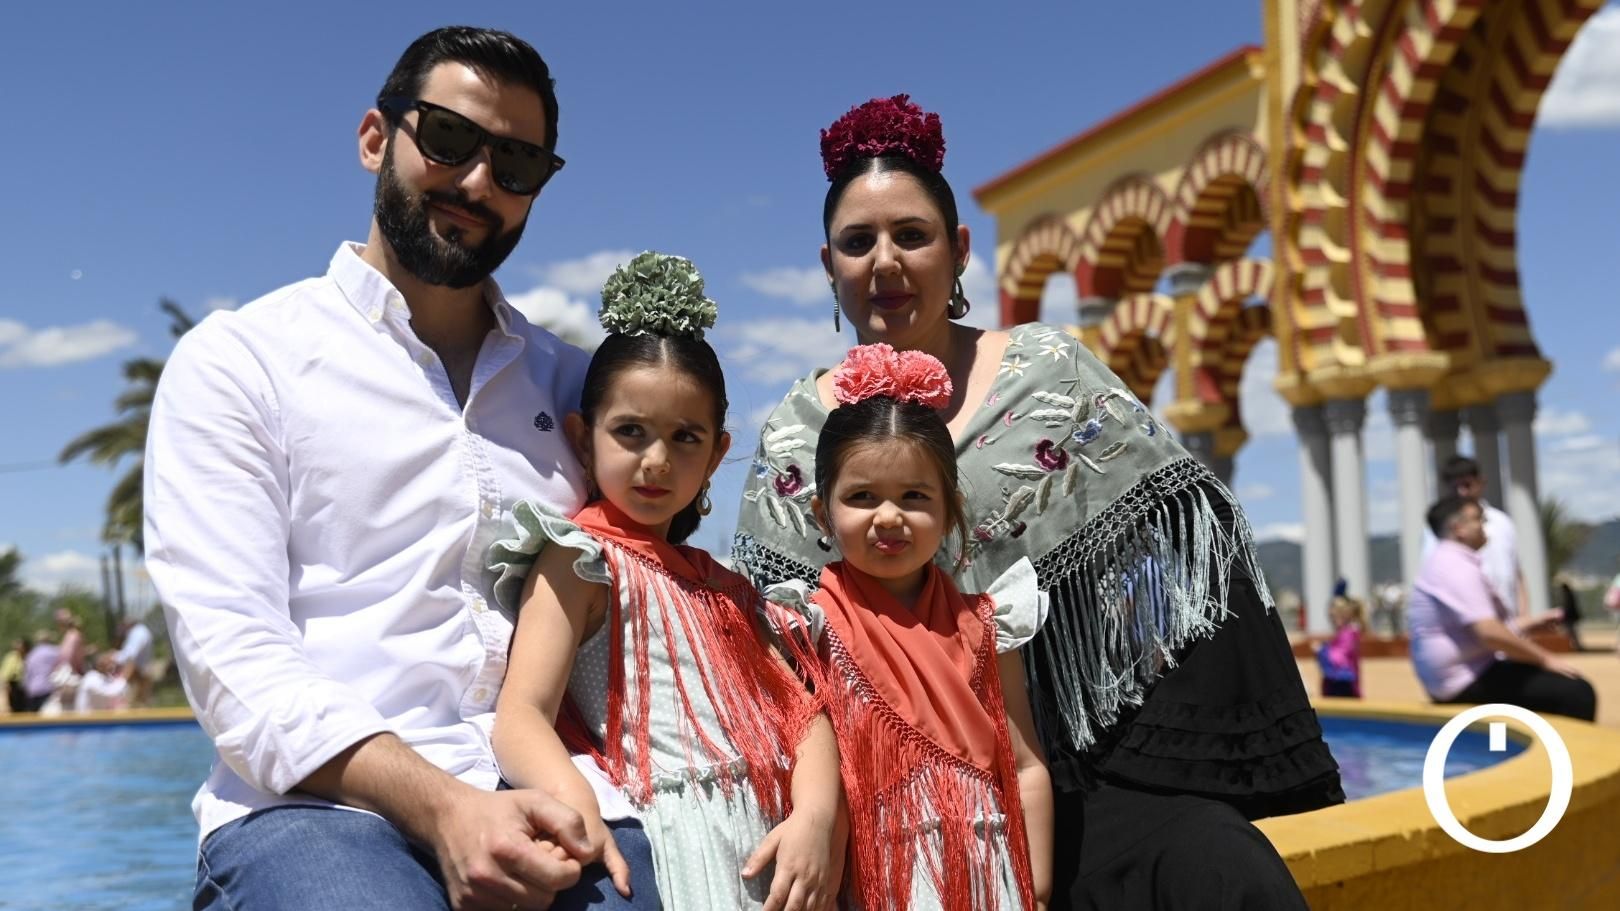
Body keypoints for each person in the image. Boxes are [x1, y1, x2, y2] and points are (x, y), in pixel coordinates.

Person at [734, 95, 1340, 910]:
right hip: (879, 797)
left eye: (911, 234)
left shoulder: (1046, 371)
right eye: (858, 241)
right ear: (828, 264)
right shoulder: (793, 434)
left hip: (1070, 767)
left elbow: (1184, 542)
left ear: (959, 251)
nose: (884, 261)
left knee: (1221, 866)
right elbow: (766, 663)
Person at [144, 27, 608, 910]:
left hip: (553, 792)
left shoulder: (578, 389)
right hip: (316, 809)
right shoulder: (243, 362)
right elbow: (233, 656)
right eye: (447, 139)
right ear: (374, 139)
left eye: (517, 164)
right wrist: (445, 807)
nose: (479, 181)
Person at [488, 253, 844, 911]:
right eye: (630, 431)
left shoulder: (726, 587)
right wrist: (578, 809)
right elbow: (521, 715)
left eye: (684, 437)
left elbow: (805, 712)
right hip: (671, 854)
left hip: (770, 853)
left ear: (715, 454)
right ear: (582, 436)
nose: (656, 461)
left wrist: (818, 817)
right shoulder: (580, 558)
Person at [771, 343, 1052, 910]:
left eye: (914, 496)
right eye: (862, 497)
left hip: (987, 873)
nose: (889, 517)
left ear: (949, 511)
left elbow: (1024, 768)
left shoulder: (987, 625)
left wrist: (1037, 892)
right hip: (872, 879)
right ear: (823, 514)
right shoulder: (805, 627)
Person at [1408, 496, 1596, 720]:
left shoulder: (1445, 562)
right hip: (1462, 682)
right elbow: (1489, 633)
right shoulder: (1454, 566)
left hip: (1463, 675)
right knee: (1576, 692)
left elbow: (1484, 630)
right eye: (1478, 519)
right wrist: (1545, 659)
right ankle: (1567, 755)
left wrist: (1530, 624)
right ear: (1458, 528)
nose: (1485, 526)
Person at [1423, 455, 1527, 618]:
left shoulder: (1503, 522)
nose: (1462, 492)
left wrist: (1524, 617)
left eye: (1467, 484)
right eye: (1455, 487)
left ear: (1481, 483)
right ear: (1457, 529)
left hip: (1507, 623)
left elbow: (1517, 574)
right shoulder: (1437, 529)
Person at [1316, 597, 1365, 698]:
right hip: (1337, 684)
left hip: (1342, 685)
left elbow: (1338, 659)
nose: (1332, 620)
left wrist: (1321, 651)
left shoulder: (1349, 634)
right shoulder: (1343, 634)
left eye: (1334, 616)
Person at [114, 617, 156, 706]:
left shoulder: (137, 633)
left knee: (135, 708)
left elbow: (130, 657)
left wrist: (121, 683)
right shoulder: (141, 631)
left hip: (137, 676)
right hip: (140, 675)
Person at [20, 631, 60, 713]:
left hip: (32, 691)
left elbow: (27, 674)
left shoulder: (31, 654)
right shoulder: (55, 651)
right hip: (48, 689)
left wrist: (25, 689)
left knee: (33, 720)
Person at [1, 639, 26, 713]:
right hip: (13, 684)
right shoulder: (12, 657)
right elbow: (6, 674)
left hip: (19, 685)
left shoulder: (22, 657)